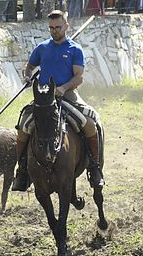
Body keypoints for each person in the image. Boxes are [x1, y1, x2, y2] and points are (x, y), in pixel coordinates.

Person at [12, 10, 104, 191]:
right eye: (51, 28)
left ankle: (95, 168)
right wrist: (28, 76)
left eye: (58, 27)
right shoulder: (42, 48)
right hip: (43, 97)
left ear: (66, 27)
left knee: (90, 124)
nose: (54, 31)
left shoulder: (74, 49)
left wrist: (63, 88)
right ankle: (22, 170)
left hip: (67, 94)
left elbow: (78, 77)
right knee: (24, 126)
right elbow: (29, 67)